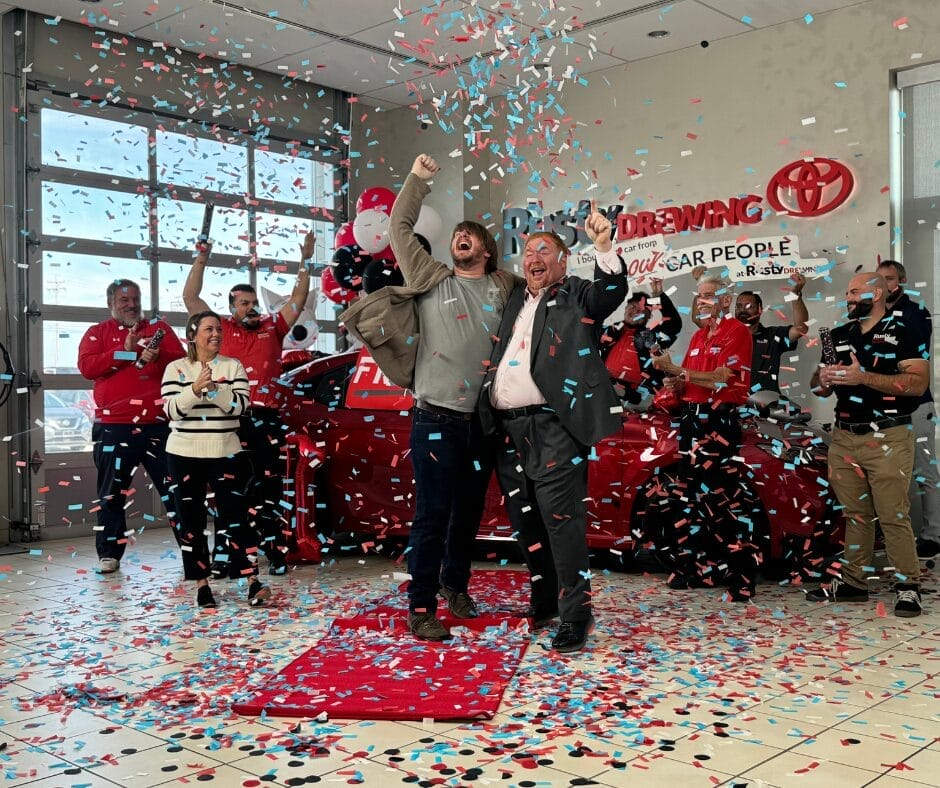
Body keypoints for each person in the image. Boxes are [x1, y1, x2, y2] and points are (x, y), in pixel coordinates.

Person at [342, 154, 519, 641]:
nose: (461, 236)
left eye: (472, 233)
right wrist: (418, 178)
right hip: (435, 418)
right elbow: (399, 225)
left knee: (468, 515)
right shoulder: (429, 276)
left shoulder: (506, 288)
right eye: (457, 233)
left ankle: (455, 588)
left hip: (481, 422)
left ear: (486, 248)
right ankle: (421, 606)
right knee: (432, 516)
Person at [479, 205, 628, 653]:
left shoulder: (577, 294)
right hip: (509, 431)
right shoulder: (512, 302)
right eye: (527, 253)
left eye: (544, 250)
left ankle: (576, 615)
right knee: (528, 525)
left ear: (563, 260)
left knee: (563, 526)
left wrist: (604, 247)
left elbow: (609, 294)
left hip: (554, 428)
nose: (534, 258)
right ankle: (544, 602)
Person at [183, 233, 314, 576]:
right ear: (231, 308)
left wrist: (305, 261)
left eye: (254, 302)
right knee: (229, 490)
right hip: (230, 419)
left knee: (269, 488)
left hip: (267, 421)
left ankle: (276, 554)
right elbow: (190, 297)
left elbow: (299, 297)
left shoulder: (273, 327)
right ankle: (227, 558)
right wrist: (202, 257)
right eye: (244, 303)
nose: (251, 308)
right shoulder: (220, 330)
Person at [806, 272, 929, 617]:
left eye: (854, 291)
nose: (848, 297)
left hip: (888, 436)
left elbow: (918, 384)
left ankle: (908, 587)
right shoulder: (836, 335)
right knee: (856, 514)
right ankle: (853, 583)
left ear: (876, 293)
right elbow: (820, 387)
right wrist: (823, 379)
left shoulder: (905, 329)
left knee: (893, 515)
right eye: (847, 291)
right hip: (844, 436)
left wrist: (864, 377)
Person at [651, 272, 761, 601]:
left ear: (725, 301)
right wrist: (676, 384)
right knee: (689, 500)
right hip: (691, 423)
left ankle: (742, 577)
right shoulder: (699, 337)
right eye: (699, 297)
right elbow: (689, 384)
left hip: (717, 424)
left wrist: (678, 373)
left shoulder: (737, 331)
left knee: (724, 502)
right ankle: (699, 570)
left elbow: (721, 380)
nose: (702, 302)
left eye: (710, 296)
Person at [161, 310, 270, 608]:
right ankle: (202, 584)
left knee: (237, 517)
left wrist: (214, 390)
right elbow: (171, 411)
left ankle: (252, 581)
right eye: (209, 329)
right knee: (191, 520)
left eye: (219, 330)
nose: (216, 335)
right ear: (192, 335)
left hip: (226, 451)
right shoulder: (175, 369)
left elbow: (240, 408)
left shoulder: (233, 366)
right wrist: (194, 390)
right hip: (183, 453)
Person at [78, 279, 186, 574]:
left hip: (158, 426)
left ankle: (192, 551)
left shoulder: (159, 329)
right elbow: (88, 368)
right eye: (124, 300)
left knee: (176, 489)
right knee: (111, 493)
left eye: (135, 299)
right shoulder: (97, 332)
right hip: (114, 426)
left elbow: (182, 362)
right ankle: (109, 554)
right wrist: (126, 353)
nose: (132, 305)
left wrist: (158, 355)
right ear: (110, 302)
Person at [877, 260, 940, 561]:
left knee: (925, 473)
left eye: (888, 279)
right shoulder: (868, 315)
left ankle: (933, 536)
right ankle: (893, 536)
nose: (883, 284)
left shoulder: (916, 312)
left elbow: (910, 354)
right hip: (881, 406)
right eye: (878, 280)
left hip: (916, 404)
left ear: (901, 280)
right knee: (888, 474)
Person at [600, 278, 681, 404]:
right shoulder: (607, 331)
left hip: (637, 398)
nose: (636, 311)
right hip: (603, 390)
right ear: (625, 308)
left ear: (649, 316)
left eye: (642, 310)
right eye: (633, 306)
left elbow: (674, 323)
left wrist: (658, 296)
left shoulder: (650, 337)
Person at [734, 273, 808, 395]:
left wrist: (796, 295)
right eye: (738, 307)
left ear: (759, 309)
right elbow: (698, 321)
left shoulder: (773, 335)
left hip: (767, 406)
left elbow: (801, 329)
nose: (743, 310)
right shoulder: (726, 337)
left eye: (748, 306)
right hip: (733, 406)